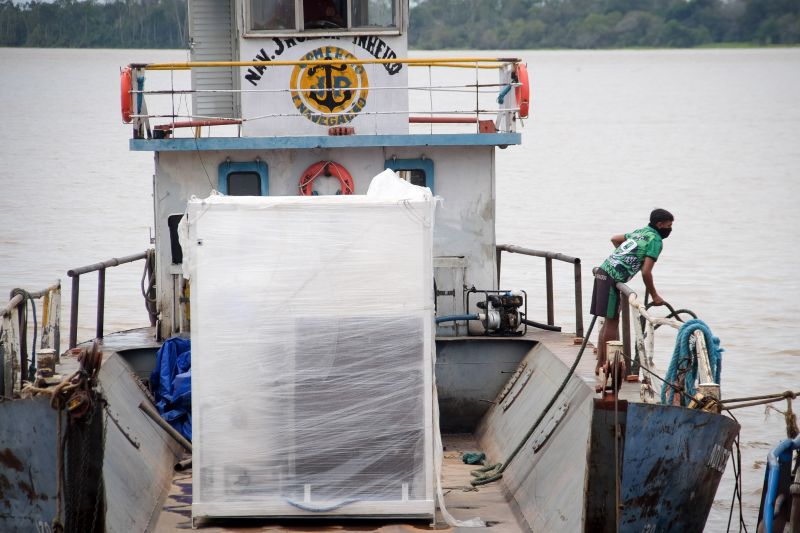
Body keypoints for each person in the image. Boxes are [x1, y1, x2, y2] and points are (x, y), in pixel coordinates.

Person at [590, 208, 674, 374]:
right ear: (660, 225)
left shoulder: (642, 231)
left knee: (608, 321)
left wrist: (625, 258)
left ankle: (601, 364)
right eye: (669, 226)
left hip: (602, 271)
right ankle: (605, 366)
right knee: (612, 323)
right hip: (612, 278)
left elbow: (615, 239)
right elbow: (646, 272)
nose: (670, 230)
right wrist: (655, 296)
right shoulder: (656, 240)